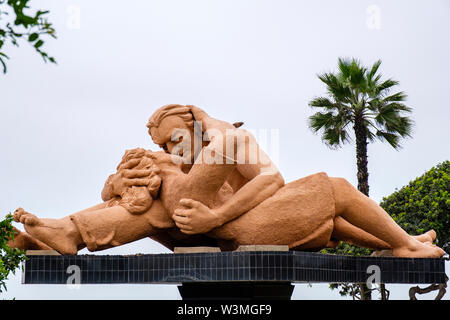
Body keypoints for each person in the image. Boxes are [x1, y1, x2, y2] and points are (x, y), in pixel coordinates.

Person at [10, 142, 444, 258]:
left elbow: (126, 206)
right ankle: (404, 245)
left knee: (328, 210)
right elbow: (271, 179)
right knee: (335, 189)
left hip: (230, 227)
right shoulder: (185, 174)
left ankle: (398, 241)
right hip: (240, 230)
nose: (173, 147)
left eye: (171, 139)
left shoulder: (172, 182)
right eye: (166, 144)